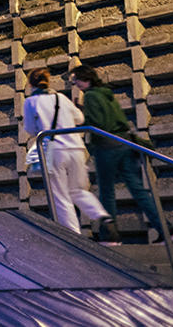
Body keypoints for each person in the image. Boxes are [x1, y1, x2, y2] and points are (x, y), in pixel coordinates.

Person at [70, 64, 173, 244]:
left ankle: (110, 235)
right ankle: (167, 230)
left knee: (106, 192)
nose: (76, 84)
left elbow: (98, 124)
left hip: (106, 146)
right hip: (124, 142)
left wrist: (79, 120)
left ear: (85, 78)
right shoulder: (105, 93)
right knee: (138, 190)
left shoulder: (91, 96)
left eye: (76, 80)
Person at [23, 67, 114, 241]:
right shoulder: (61, 98)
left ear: (30, 84)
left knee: (60, 195)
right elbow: (79, 119)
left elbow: (30, 129)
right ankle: (103, 217)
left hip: (55, 150)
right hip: (76, 148)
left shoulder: (31, 102)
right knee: (79, 190)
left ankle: (74, 237)